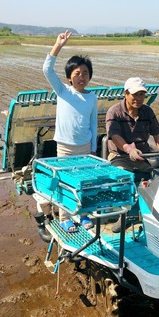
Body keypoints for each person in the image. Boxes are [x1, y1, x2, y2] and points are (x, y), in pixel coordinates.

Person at [42, 30, 97, 233]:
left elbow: (93, 124)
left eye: (85, 73)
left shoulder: (92, 97)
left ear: (90, 76)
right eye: (77, 73)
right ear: (69, 77)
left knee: (83, 182)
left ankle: (83, 215)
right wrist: (58, 45)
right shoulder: (63, 91)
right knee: (64, 182)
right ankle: (65, 217)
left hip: (84, 146)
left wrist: (92, 148)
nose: (81, 77)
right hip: (64, 147)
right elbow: (47, 69)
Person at [106, 77, 159, 232]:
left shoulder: (147, 111)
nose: (139, 98)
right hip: (120, 156)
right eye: (135, 94)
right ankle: (124, 216)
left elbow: (158, 136)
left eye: (142, 94)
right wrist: (129, 150)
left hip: (143, 156)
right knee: (124, 177)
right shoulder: (114, 111)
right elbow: (115, 137)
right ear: (126, 94)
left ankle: (152, 215)